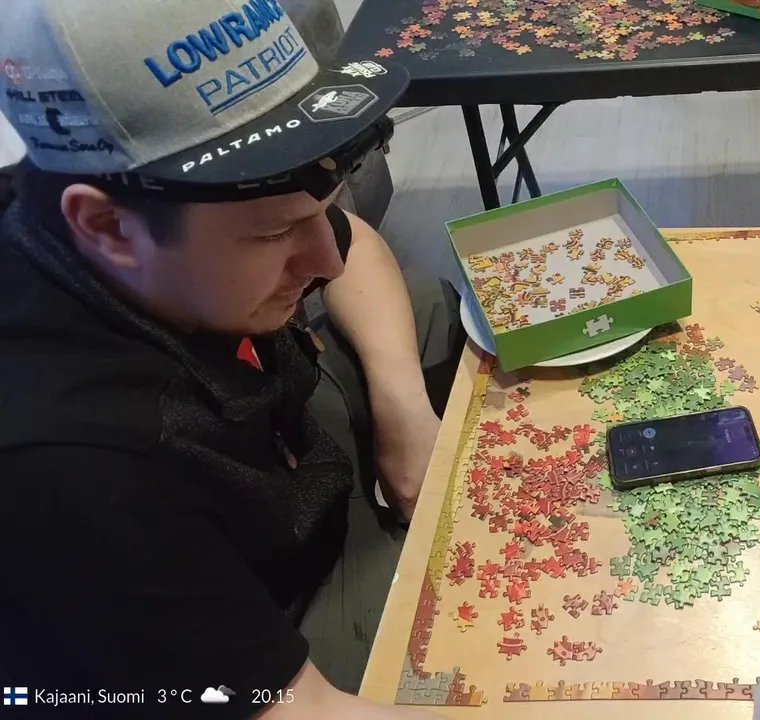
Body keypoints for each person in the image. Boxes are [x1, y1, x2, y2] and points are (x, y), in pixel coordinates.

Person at [0, 1, 461, 717]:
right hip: (251, 644)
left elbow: (356, 243)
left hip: (275, 465)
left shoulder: (108, 187)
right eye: (273, 234)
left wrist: (406, 415)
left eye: (321, 209)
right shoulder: (73, 465)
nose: (327, 258)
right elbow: (302, 709)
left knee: (422, 298)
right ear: (108, 227)